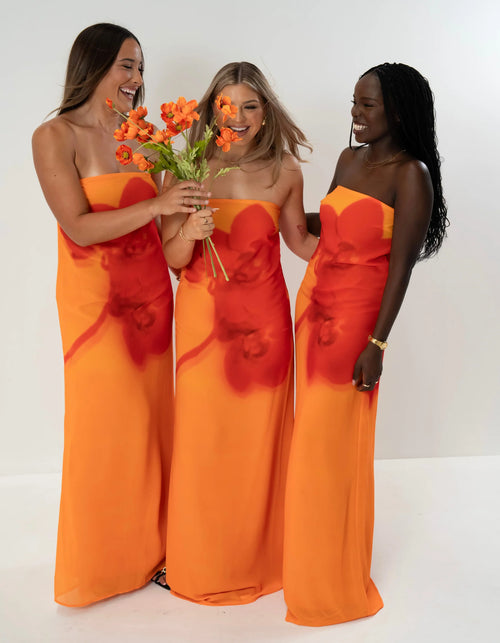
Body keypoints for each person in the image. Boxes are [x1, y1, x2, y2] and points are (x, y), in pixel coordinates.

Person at [32, 23, 209, 607]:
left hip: (151, 301)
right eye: (126, 65)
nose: (136, 78)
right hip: (95, 309)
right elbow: (78, 226)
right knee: (104, 430)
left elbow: (166, 236)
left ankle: (152, 555)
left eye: (140, 68)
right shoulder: (55, 135)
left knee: (150, 426)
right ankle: (99, 569)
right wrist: (158, 202)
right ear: (94, 64)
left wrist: (189, 214)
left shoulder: (147, 139)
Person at [283, 63, 448, 626]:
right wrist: (267, 206)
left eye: (368, 104)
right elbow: (330, 225)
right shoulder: (348, 159)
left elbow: (401, 268)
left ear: (397, 111)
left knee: (329, 450)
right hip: (312, 309)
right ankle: (305, 564)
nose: (355, 113)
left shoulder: (411, 175)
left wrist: (377, 342)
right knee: (310, 444)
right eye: (354, 102)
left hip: (355, 324)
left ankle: (330, 583)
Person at [159, 61, 318, 605]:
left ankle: (257, 559)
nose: (240, 116)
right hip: (202, 326)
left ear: (265, 111)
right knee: (204, 442)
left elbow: (301, 243)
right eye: (228, 106)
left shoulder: (285, 171)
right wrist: (190, 230)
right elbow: (172, 258)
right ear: (211, 111)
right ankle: (202, 560)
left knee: (256, 447)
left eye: (251, 105)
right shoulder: (185, 169)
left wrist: (363, 252)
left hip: (264, 327)